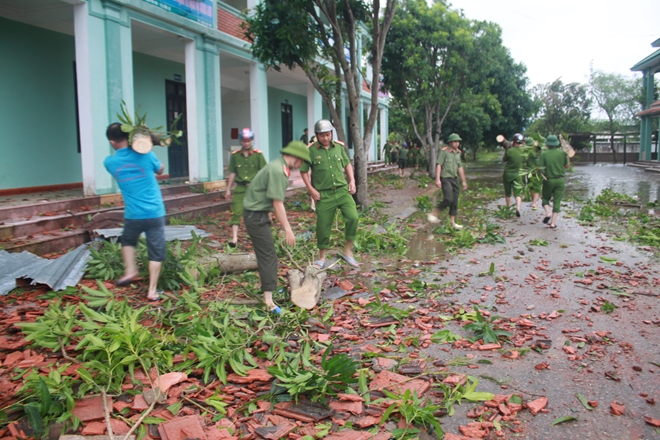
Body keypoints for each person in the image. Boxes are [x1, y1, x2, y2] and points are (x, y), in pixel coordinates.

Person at [243, 141, 312, 314]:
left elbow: (263, 193)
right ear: (296, 157)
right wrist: (288, 229)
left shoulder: (276, 165)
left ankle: (268, 289)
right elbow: (277, 202)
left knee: (267, 253)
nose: (300, 166)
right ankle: (268, 301)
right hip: (255, 216)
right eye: (301, 162)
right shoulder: (277, 170)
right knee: (268, 255)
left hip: (258, 213)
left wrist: (268, 213)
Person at [104, 122, 166, 302]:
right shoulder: (147, 156)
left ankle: (130, 270)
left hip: (133, 214)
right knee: (156, 252)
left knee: (128, 241)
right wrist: (145, 144)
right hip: (154, 211)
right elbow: (161, 170)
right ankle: (152, 291)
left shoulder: (110, 162)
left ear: (112, 142)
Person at [301, 119, 360, 269]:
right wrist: (311, 190)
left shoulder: (339, 148)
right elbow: (303, 171)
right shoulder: (311, 151)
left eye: (327, 135)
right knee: (323, 225)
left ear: (331, 134)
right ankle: (321, 257)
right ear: (316, 135)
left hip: (342, 191)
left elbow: (347, 164)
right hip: (324, 195)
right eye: (322, 136)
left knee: (353, 217)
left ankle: (347, 251)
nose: (325, 138)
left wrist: (352, 181)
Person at [224, 128, 267, 247]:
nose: (246, 143)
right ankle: (234, 238)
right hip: (240, 187)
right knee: (237, 211)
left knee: (256, 211)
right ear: (241, 142)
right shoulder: (236, 156)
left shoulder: (258, 155)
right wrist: (228, 189)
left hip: (254, 188)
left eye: (248, 141)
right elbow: (232, 173)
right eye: (244, 141)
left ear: (252, 141)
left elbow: (263, 172)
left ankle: (258, 236)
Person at [428, 133, 468, 229]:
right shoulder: (444, 152)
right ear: (450, 142)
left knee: (454, 201)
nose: (456, 143)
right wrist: (437, 179)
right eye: (454, 141)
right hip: (445, 178)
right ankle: (434, 213)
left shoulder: (458, 153)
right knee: (448, 198)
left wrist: (464, 181)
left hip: (454, 178)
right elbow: (439, 165)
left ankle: (453, 223)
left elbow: (460, 167)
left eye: (458, 142)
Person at [538, 134, 570, 229]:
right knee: (557, 201)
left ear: (547, 144)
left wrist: (540, 172)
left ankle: (548, 213)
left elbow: (539, 168)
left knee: (545, 198)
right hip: (560, 180)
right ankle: (553, 223)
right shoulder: (562, 153)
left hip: (549, 180)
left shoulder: (544, 154)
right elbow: (567, 166)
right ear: (556, 144)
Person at [502, 133, 525, 217]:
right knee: (518, 192)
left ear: (514, 141)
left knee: (508, 192)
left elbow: (504, 160)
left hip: (508, 174)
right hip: (518, 174)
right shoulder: (523, 151)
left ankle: (509, 208)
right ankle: (518, 208)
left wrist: (506, 150)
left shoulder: (510, 150)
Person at [524, 137, 542, 210]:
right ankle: (535, 203)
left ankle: (533, 202)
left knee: (531, 187)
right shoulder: (536, 151)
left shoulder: (525, 152)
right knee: (537, 188)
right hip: (537, 171)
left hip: (529, 172)